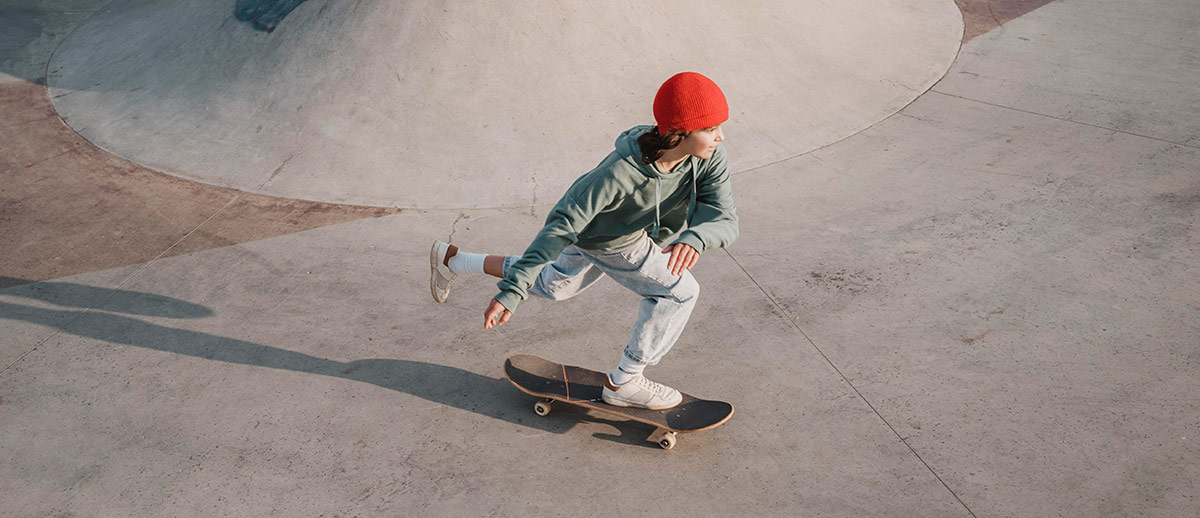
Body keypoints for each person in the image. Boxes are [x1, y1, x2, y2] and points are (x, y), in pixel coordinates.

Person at [429, 72, 738, 410]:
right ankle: (625, 381)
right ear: (680, 132)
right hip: (614, 240)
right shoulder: (620, 171)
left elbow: (724, 217)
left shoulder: (708, 157)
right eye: (710, 129)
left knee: (554, 286)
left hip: (606, 234)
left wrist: (696, 238)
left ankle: (455, 261)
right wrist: (511, 293)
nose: (720, 137)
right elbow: (561, 226)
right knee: (680, 292)